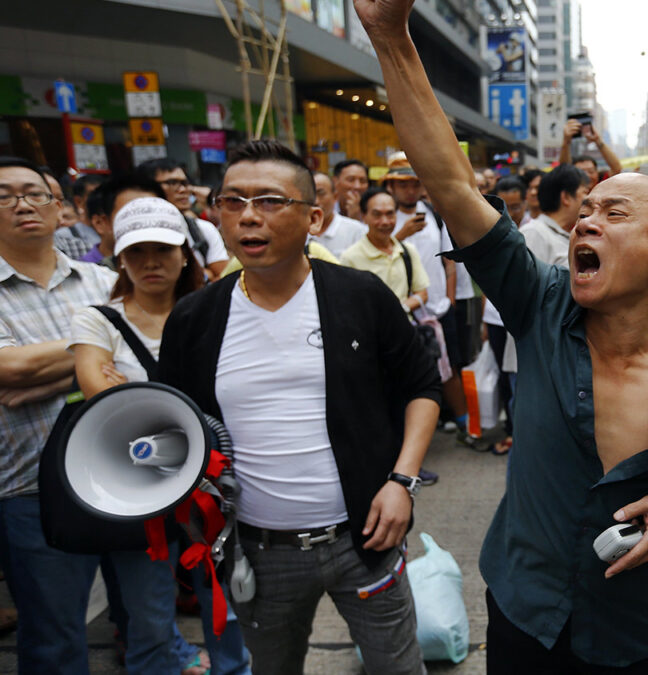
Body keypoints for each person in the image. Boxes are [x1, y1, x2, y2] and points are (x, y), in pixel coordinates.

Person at [355, 2, 648, 669]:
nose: (586, 225)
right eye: (584, 212)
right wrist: (391, 37)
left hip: (636, 628)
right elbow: (451, 182)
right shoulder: (540, 301)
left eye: (614, 214)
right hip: (524, 611)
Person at [156, 140, 440, 674]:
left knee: (398, 667)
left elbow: (423, 386)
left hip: (365, 538)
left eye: (268, 201)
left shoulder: (360, 296)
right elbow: (174, 422)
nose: (247, 217)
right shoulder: (195, 319)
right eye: (232, 202)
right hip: (259, 551)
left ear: (313, 217)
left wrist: (402, 482)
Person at [69, 196, 251, 675]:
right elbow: (98, 394)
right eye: (136, 252)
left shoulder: (220, 309)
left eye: (163, 250)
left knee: (226, 601)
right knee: (147, 610)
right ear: (119, 258)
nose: (150, 262)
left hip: (211, 484)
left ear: (185, 254)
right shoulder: (96, 318)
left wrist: (135, 393)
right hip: (136, 488)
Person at [0, 156, 117, 673]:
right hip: (29, 488)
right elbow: (10, 369)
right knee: (53, 635)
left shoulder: (103, 280)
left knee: (141, 617)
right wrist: (99, 353)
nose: (23, 203)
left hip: (123, 475)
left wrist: (54, 372)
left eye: (35, 192)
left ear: (60, 207)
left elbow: (145, 351)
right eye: (5, 195)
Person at [385, 163, 467, 461]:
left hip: (439, 306)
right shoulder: (385, 217)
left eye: (414, 183)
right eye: (403, 184)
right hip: (402, 308)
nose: (410, 189)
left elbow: (449, 260)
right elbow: (379, 251)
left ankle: (463, 424)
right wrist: (401, 234)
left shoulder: (433, 213)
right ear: (391, 187)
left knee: (451, 366)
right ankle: (413, 437)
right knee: (406, 371)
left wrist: (450, 297)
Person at [136, 158, 230, 279]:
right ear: (147, 189)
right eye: (172, 183)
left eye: (185, 183)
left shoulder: (203, 229)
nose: (183, 190)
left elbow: (223, 278)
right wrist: (204, 274)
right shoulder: (136, 231)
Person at [340, 187, 429, 314]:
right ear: (364, 216)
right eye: (377, 214)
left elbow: (422, 293)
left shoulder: (407, 251)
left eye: (390, 214)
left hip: (404, 329)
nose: (385, 221)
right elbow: (346, 302)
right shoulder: (350, 257)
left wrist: (400, 310)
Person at [524, 164, 588, 266]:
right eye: (585, 192)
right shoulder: (534, 233)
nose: (588, 199)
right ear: (566, 197)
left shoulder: (569, 235)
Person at [311, 172, 369, 256]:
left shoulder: (356, 231)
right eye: (310, 195)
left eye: (321, 193)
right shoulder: (298, 230)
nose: (315, 201)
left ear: (335, 197)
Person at [560, 119, 622, 189]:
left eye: (591, 171)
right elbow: (564, 169)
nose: (587, 175)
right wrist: (566, 141)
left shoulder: (602, 186)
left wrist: (597, 140)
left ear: (597, 173)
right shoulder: (569, 190)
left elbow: (616, 168)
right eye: (581, 172)